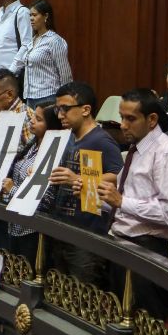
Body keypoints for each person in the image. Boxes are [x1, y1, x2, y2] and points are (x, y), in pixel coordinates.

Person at [97, 88, 168, 319]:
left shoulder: (167, 153)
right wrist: (101, 198)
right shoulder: (135, 150)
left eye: (130, 119)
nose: (123, 125)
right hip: (119, 242)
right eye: (121, 117)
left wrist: (121, 201)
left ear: (152, 119)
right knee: (117, 325)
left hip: (147, 251)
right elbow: (124, 203)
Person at [50, 81, 123, 288]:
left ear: (85, 109)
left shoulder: (101, 140)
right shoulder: (69, 138)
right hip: (63, 224)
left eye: (65, 108)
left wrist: (79, 180)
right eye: (57, 109)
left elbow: (120, 176)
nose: (60, 114)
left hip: (87, 231)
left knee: (84, 296)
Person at [0, 69, 35, 249]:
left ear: (9, 94)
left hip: (9, 199)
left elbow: (32, 158)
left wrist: (6, 154)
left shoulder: (26, 117)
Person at [2, 104, 63, 265]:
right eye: (33, 117)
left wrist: (12, 189)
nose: (32, 121)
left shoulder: (55, 154)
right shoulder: (32, 145)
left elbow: (45, 199)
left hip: (34, 229)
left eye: (39, 119)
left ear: (52, 126)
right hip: (15, 222)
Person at [10, 0, 72, 108]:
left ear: (45, 16)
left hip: (49, 97)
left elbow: (65, 74)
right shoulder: (32, 41)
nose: (31, 19)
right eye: (30, 15)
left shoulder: (54, 40)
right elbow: (19, 63)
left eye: (34, 15)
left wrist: (64, 100)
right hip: (30, 97)